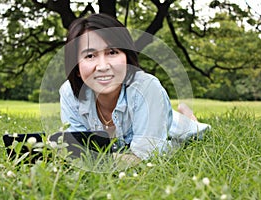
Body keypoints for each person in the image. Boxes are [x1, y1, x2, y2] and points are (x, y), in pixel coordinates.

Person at [59, 13, 210, 161]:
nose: (103, 66)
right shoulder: (69, 92)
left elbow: (145, 156)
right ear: (76, 67)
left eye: (112, 52)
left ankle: (189, 119)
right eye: (90, 56)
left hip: (165, 123)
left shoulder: (147, 88)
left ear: (127, 58)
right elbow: (76, 147)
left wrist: (96, 158)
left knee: (179, 141)